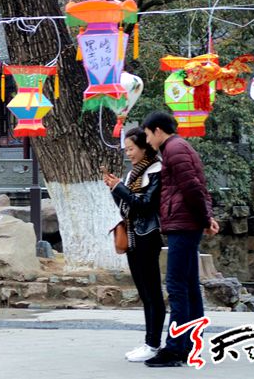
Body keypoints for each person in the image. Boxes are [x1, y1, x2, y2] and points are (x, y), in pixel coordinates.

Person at [140, 111, 220, 368]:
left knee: (176, 286)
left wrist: (205, 219)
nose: (147, 140)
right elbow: (197, 186)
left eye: (147, 134)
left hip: (183, 225)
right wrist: (206, 217)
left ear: (158, 130)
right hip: (186, 223)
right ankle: (189, 345)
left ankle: (175, 348)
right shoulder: (177, 148)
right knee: (188, 286)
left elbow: (193, 188)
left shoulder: (175, 149)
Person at [103, 128, 165, 363]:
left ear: (144, 148)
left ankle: (153, 343)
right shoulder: (132, 174)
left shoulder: (156, 170)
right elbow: (126, 205)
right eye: (126, 149)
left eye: (131, 149)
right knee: (143, 292)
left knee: (152, 291)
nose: (128, 153)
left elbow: (146, 205)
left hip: (147, 236)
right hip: (131, 236)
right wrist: (114, 188)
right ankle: (149, 341)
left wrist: (120, 188)